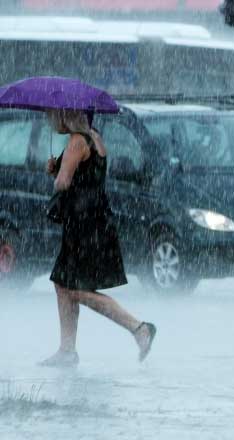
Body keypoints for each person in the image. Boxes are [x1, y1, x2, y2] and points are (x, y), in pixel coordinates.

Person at [40, 109, 156, 368]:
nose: (50, 120)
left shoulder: (76, 141)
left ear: (64, 115)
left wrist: (56, 173)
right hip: (95, 220)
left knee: (77, 289)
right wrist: (57, 168)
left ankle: (139, 328)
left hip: (83, 225)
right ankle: (66, 350)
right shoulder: (95, 138)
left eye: (52, 116)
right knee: (62, 283)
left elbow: (64, 182)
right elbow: (87, 176)